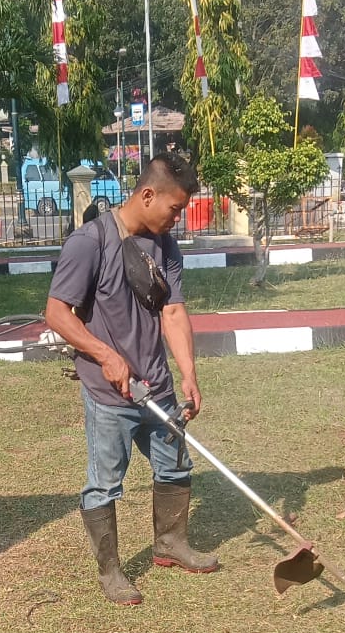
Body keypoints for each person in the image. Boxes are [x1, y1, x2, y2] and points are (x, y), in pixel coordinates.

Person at [45, 152, 218, 605]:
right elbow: (57, 313)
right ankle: (110, 571)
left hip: (156, 386)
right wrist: (105, 354)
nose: (177, 218)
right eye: (174, 209)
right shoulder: (90, 242)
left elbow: (173, 311)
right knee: (105, 483)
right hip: (110, 393)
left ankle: (171, 544)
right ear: (147, 195)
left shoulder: (166, 247)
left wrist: (188, 374)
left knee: (175, 465)